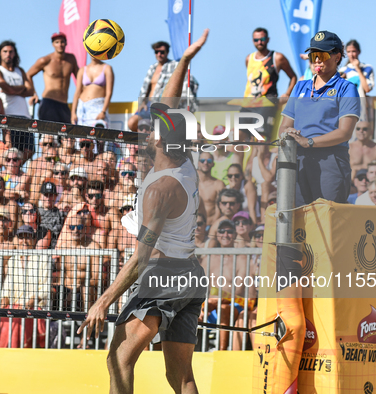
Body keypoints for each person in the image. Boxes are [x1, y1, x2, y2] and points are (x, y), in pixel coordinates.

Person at [78, 29, 209, 394]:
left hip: (164, 276)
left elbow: (141, 257)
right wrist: (183, 60)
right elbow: (169, 100)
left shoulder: (162, 188)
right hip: (190, 276)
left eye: (155, 129)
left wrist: (104, 300)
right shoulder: (183, 166)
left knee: (118, 358)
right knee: (180, 378)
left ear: (161, 139)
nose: (149, 131)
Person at [282, 31, 360, 206]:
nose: (317, 60)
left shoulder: (346, 88)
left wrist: (308, 141)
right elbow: (284, 126)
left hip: (330, 162)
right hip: (299, 160)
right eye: (313, 55)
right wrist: (288, 133)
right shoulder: (300, 86)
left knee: (326, 225)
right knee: (298, 226)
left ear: (337, 57)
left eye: (322, 55)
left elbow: (345, 133)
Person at [0, 225, 50, 348]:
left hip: (35, 307)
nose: (24, 241)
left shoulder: (43, 259)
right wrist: (4, 300)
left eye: (28, 237)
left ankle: (14, 353)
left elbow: (46, 289)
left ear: (34, 240)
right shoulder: (12, 260)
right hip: (14, 305)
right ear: (16, 240)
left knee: (17, 319)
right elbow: (7, 287)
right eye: (21, 237)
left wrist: (31, 301)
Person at [201, 220, 254, 350]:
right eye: (221, 231)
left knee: (223, 308)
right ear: (217, 234)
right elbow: (199, 288)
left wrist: (217, 300)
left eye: (229, 231)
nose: (225, 234)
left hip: (234, 305)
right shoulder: (208, 258)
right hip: (208, 307)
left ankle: (222, 351)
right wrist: (199, 305)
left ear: (235, 235)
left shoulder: (242, 258)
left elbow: (240, 290)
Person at [128, 40, 198, 132]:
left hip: (163, 107)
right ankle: (143, 144)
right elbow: (145, 87)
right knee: (132, 123)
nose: (159, 54)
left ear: (167, 52)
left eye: (162, 52)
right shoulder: (152, 68)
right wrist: (142, 102)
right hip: (148, 106)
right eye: (156, 52)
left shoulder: (174, 66)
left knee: (160, 132)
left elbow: (191, 82)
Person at [243, 27, 297, 139]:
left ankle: (261, 157)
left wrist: (287, 93)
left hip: (266, 102)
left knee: (260, 140)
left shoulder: (277, 57)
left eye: (262, 39)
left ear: (268, 39)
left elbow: (293, 77)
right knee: (237, 136)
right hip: (248, 103)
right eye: (256, 40)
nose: (259, 42)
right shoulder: (249, 58)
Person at [0, 41, 35, 161]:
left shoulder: (20, 70)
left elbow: (30, 91)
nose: (8, 54)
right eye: (5, 51)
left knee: (30, 150)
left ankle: (15, 171)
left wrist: (11, 90)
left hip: (25, 116)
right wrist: (20, 89)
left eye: (11, 51)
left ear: (15, 54)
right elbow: (7, 88)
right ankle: (10, 172)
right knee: (10, 151)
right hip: (8, 116)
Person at [27, 32, 79, 125]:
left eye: (62, 42)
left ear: (66, 43)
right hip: (48, 103)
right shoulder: (45, 60)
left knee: (67, 138)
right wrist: (33, 93)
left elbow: (80, 79)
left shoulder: (71, 59)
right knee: (48, 137)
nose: (60, 44)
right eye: (57, 42)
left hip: (64, 104)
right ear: (53, 44)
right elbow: (28, 75)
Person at [72, 55, 115, 127]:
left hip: (98, 107)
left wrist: (103, 111)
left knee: (99, 135)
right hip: (83, 108)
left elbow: (109, 93)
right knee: (83, 136)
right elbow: (77, 92)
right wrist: (73, 112)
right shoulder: (82, 70)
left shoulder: (107, 68)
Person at [339, 40, 374, 121]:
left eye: (353, 51)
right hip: (347, 107)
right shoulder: (342, 70)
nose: (351, 55)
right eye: (348, 52)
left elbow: (367, 89)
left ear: (359, 52)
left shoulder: (367, 68)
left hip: (362, 107)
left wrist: (358, 69)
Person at [349, 120, 376, 186]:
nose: (361, 131)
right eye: (358, 129)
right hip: (353, 183)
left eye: (364, 129)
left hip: (373, 183)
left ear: (371, 132)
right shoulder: (350, 147)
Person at [197, 152, 225, 226]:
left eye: (209, 161)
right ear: (198, 163)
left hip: (210, 225)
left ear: (213, 164)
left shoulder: (218, 184)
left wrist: (211, 226)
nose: (206, 163)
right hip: (192, 227)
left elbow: (219, 208)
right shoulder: (191, 182)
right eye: (203, 160)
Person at [38, 181, 66, 249]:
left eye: (50, 195)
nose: (48, 198)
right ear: (41, 196)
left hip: (56, 251)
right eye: (45, 195)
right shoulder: (35, 213)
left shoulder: (61, 214)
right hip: (38, 251)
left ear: (56, 196)